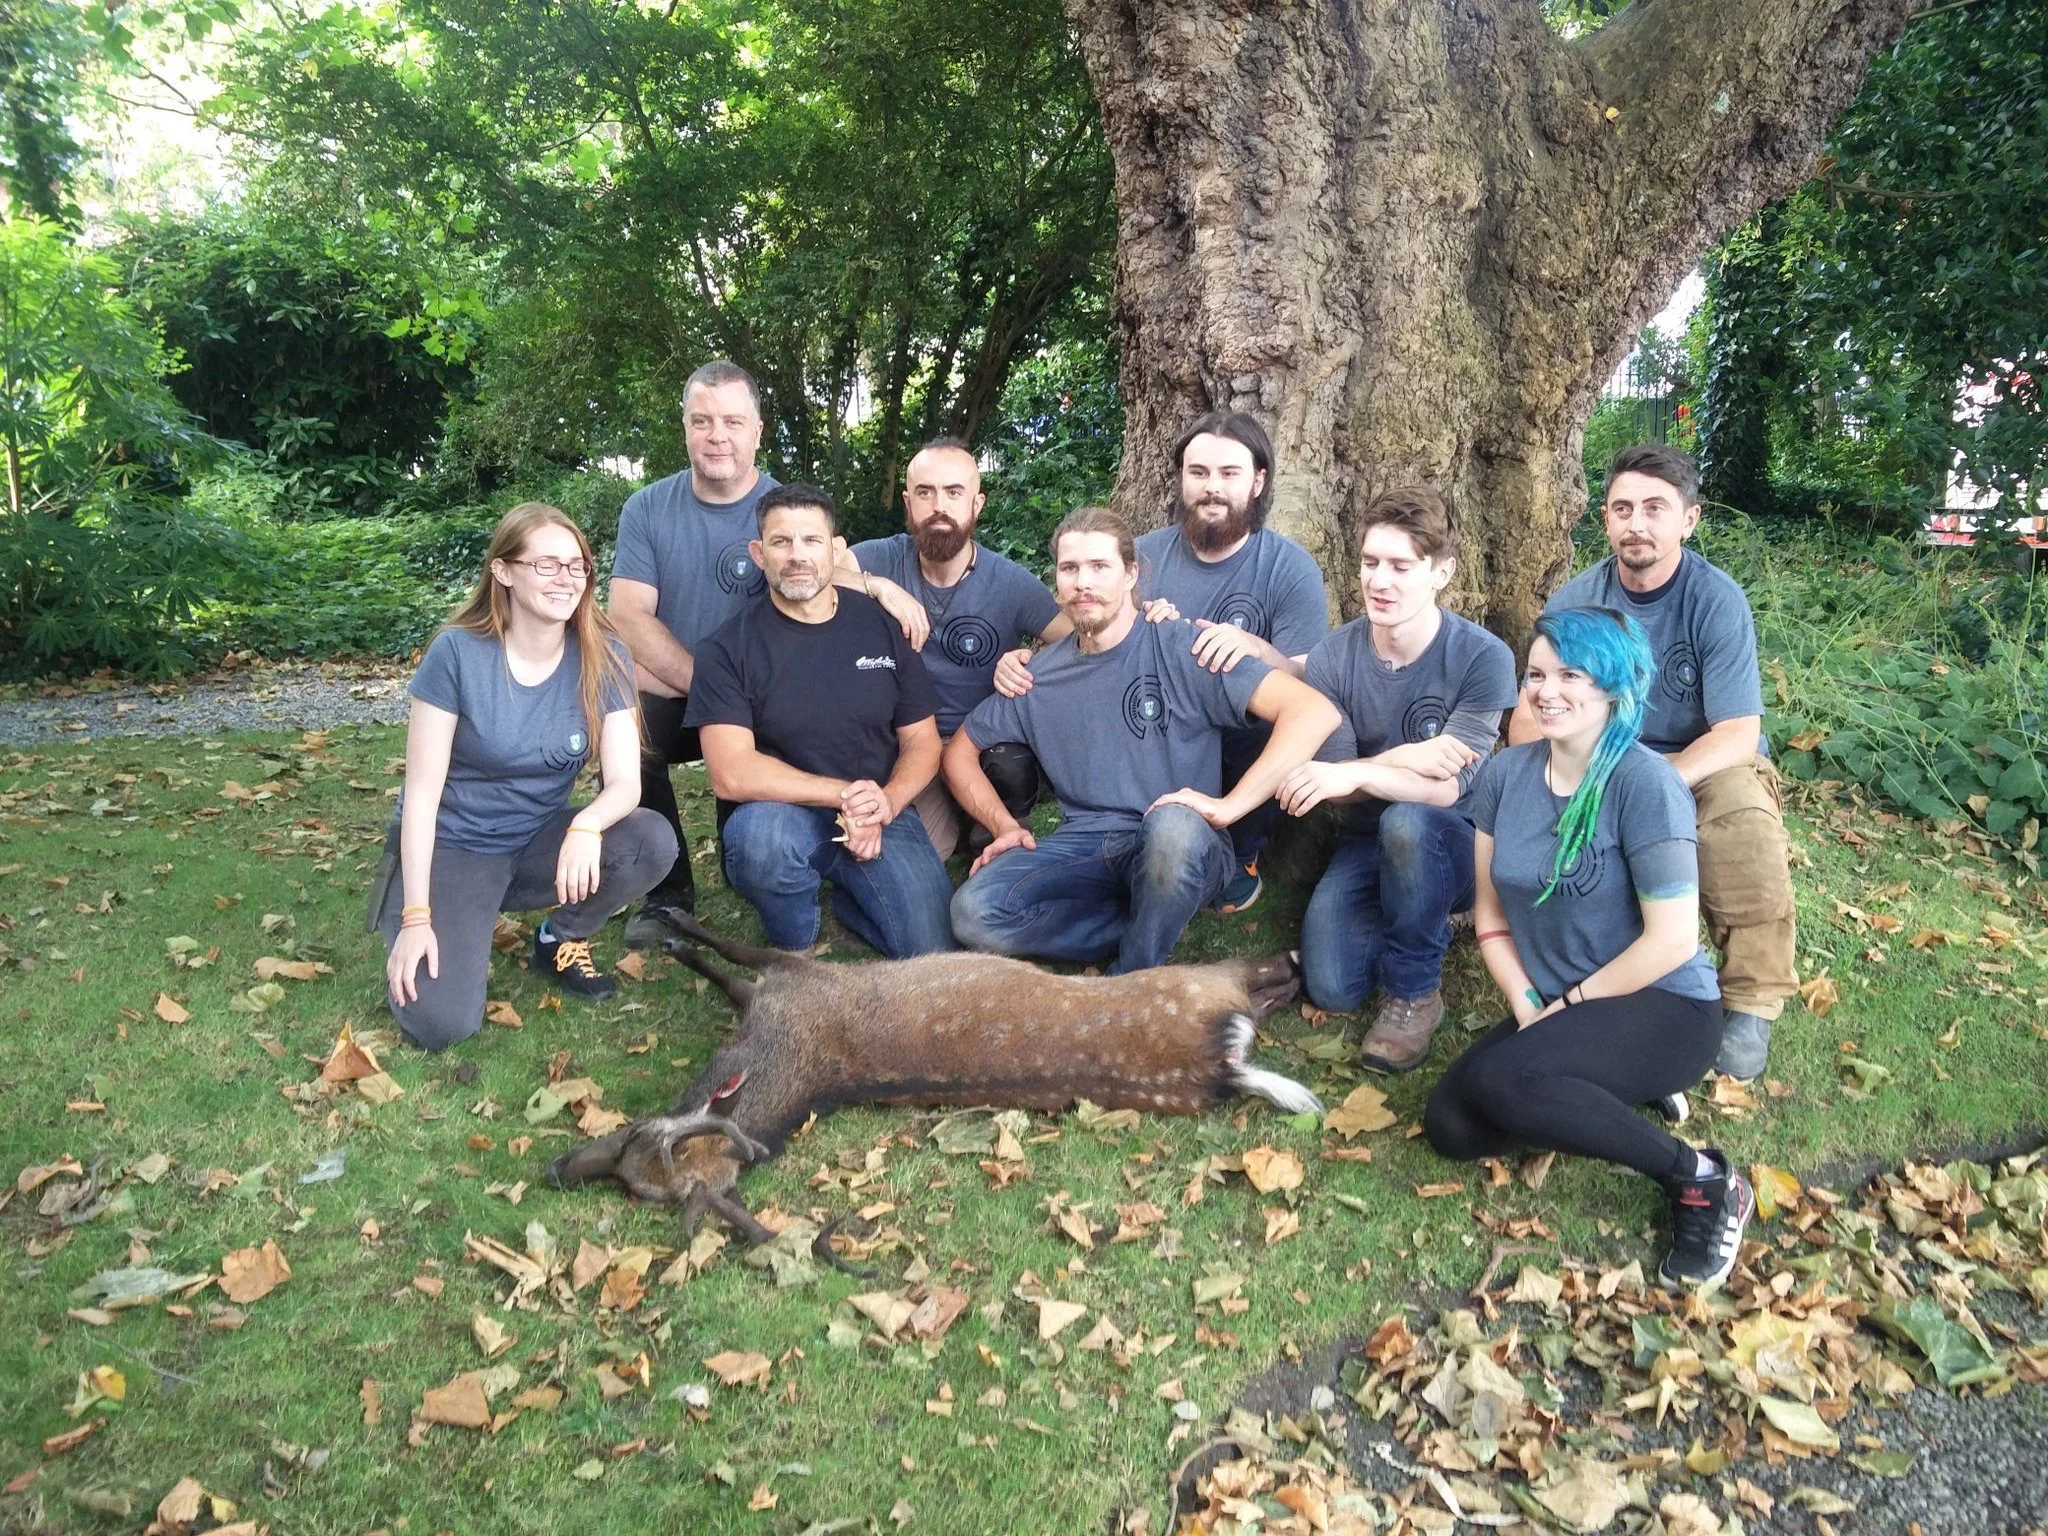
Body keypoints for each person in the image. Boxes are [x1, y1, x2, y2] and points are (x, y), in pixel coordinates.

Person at [1427, 607, 1752, 1289]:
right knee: (1452, 1126)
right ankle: (1598, 1086)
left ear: (1613, 685)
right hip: (1558, 1003)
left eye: (1570, 675)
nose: (1546, 691)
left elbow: (1671, 941)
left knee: (1507, 1082)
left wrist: (1568, 1005)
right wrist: (1527, 1005)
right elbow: (1490, 914)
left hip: (1663, 1004)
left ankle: (1701, 1180)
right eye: (1536, 674)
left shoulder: (1645, 784)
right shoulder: (1506, 775)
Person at [946, 506, 1340, 974]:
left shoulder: (1184, 647)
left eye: (1099, 566)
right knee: (973, 912)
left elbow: (1313, 712)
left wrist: (1231, 807)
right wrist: (1004, 827)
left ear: (1131, 574)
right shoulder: (1036, 676)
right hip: (1088, 843)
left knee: (1171, 831)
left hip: (1185, 838)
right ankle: (1143, 928)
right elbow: (959, 752)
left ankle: (1133, 970)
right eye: (1070, 568)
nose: (1083, 582)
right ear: (1057, 580)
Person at [1510, 444, 1795, 1080]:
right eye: (1622, 509)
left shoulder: (1714, 600)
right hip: (1602, 758)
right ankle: (1591, 972)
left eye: (1654, 509)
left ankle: (1751, 1001)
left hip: (1706, 761)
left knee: (1744, 828)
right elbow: (1531, 710)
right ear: (1606, 519)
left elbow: (1738, 731)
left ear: (1688, 520)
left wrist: (1655, 783)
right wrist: (1548, 778)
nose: (1636, 523)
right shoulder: (1578, 602)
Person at [377, 503, 675, 1050]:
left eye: (577, 566)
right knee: (442, 1025)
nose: (566, 578)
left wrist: (586, 826)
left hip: (537, 840)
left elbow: (626, 784)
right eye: (546, 565)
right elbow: (420, 795)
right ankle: (424, 906)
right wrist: (417, 917)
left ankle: (557, 937)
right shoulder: (458, 653)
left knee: (650, 840)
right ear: (504, 571)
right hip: (455, 846)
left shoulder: (604, 651)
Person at [1278, 486, 1518, 1072]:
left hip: (1460, 839)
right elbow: (1334, 785)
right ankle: (1421, 914)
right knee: (1332, 986)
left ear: (1441, 573)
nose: (1379, 581)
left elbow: (1444, 789)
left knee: (1410, 822)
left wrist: (1358, 770)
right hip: (1366, 837)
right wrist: (1405, 757)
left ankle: (1414, 991)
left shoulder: (1483, 657)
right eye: (1370, 562)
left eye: (1400, 566)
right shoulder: (1333, 658)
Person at [686, 484, 957, 957]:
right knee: (763, 845)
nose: (797, 555)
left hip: (879, 810)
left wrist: (887, 803)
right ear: (759, 554)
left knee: (932, 950)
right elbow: (731, 773)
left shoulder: (881, 625)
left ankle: (852, 899)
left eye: (811, 540)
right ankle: (794, 941)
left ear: (835, 550)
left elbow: (923, 740)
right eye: (781, 542)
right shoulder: (727, 648)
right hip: (780, 814)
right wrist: (847, 796)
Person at [607, 361, 781, 943]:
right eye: (702, 421)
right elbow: (629, 616)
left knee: (749, 865)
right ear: (684, 427)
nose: (717, 436)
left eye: (733, 421)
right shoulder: (647, 509)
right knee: (628, 733)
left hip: (763, 701)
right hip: (682, 691)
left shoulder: (786, 510)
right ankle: (666, 893)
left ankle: (751, 859)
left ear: (758, 430)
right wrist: (709, 687)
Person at [1134, 410, 1330, 912]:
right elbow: (1095, 646)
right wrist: (1151, 630)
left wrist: (1258, 650)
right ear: (1181, 478)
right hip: (1157, 725)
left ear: (1258, 482)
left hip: (1239, 739)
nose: (1212, 488)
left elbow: (1308, 678)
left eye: (1229, 473)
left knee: (1273, 723)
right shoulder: (1141, 557)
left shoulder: (1290, 567)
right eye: (1199, 473)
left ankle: (1241, 855)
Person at [840, 437, 1072, 858]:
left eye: (953, 492)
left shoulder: (1010, 583)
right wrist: (879, 587)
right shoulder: (881, 559)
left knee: (1010, 766)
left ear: (976, 504)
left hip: (976, 746)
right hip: (909, 744)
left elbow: (1084, 639)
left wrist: (1030, 661)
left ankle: (990, 827)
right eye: (925, 493)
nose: (939, 506)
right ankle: (954, 823)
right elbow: (813, 575)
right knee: (906, 854)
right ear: (908, 502)